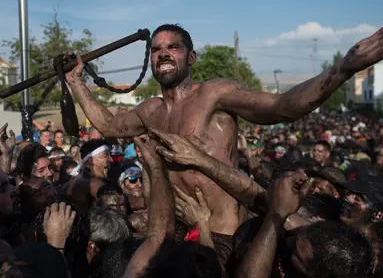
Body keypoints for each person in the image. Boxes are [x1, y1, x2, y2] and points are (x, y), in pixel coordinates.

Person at [64, 24, 383, 241]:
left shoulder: (215, 95)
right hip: (176, 240)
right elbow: (107, 125)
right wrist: (76, 81)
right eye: (156, 49)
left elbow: (285, 105)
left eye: (172, 47)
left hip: (225, 237)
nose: (162, 53)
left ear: (190, 58)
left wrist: (343, 69)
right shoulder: (150, 111)